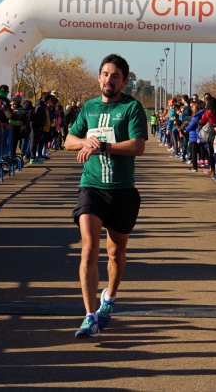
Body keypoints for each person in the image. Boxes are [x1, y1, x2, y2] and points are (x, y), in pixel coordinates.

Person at [65, 54, 147, 339]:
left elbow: (137, 146)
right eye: (105, 74)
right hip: (91, 187)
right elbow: (68, 140)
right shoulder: (88, 107)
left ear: (124, 80)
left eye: (115, 76)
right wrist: (85, 140)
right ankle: (89, 317)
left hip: (122, 190)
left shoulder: (132, 108)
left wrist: (104, 146)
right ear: (98, 77)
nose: (109, 79)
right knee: (89, 248)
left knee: (116, 252)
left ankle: (109, 299)